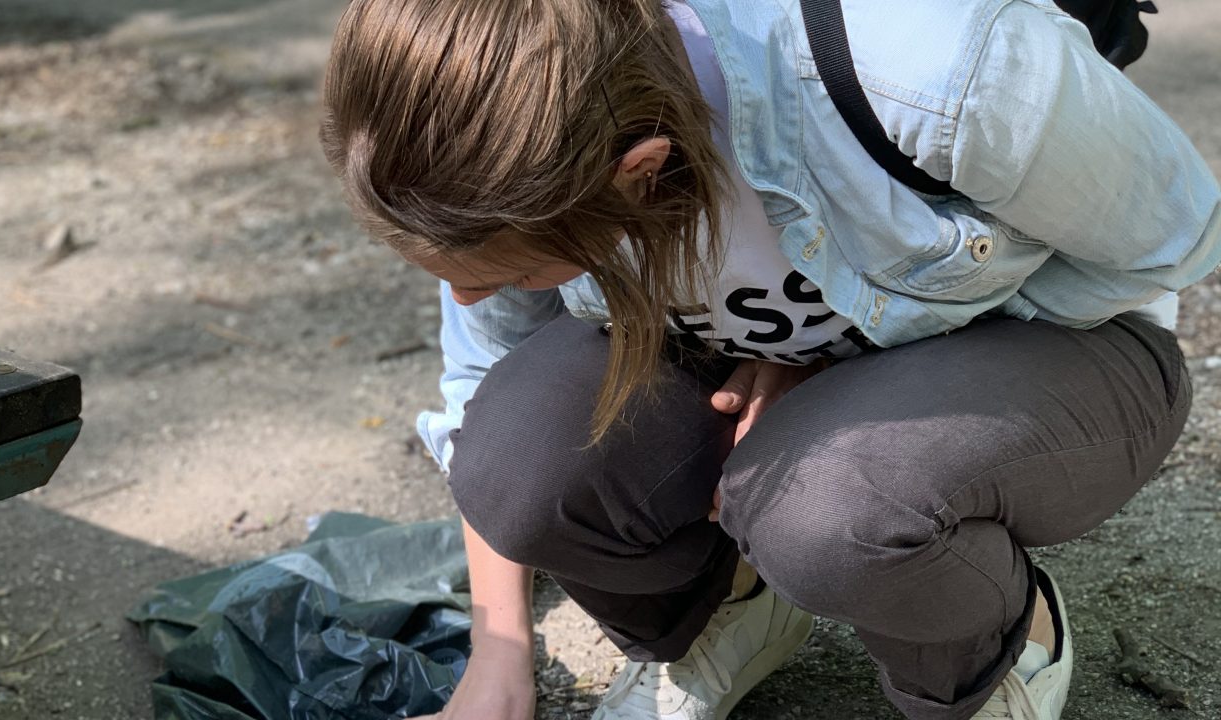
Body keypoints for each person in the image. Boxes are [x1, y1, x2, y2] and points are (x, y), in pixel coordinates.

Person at [320, 0, 1221, 718]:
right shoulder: (516, 146)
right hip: (753, 355)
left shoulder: (935, 65)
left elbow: (1175, 236)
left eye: (513, 271)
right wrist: (499, 662)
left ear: (642, 170)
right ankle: (728, 612)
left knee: (833, 505)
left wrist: (843, 363)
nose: (473, 296)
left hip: (1066, 345)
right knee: (516, 464)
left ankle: (997, 649)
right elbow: (481, 389)